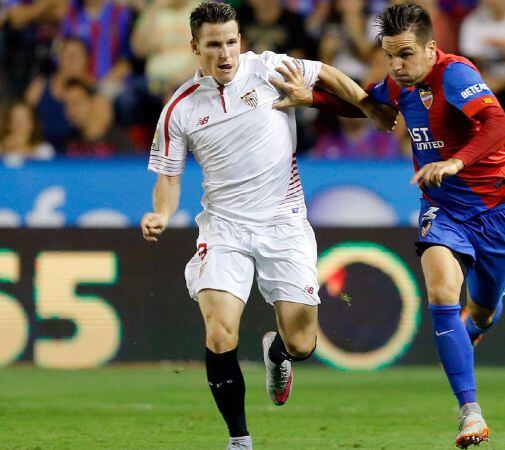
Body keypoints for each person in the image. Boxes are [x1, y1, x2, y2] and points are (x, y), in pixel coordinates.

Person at [274, 4, 505, 448]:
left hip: (498, 212)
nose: (396, 65)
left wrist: (455, 161)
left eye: (405, 54)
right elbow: (371, 107)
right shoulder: (400, 82)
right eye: (390, 55)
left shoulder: (454, 74)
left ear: (431, 49)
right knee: (442, 292)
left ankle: (474, 327)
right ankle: (470, 414)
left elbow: (499, 124)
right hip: (443, 210)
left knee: (483, 311)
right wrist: (311, 98)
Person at [139, 3, 390, 449]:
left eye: (231, 42)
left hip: (283, 223)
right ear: (195, 47)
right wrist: (161, 213)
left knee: (303, 343)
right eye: (213, 45)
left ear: (241, 41)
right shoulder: (179, 108)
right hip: (224, 229)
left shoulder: (268, 68)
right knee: (220, 331)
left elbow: (326, 73)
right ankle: (239, 439)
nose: (224, 54)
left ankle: (279, 352)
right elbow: (169, 178)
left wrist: (369, 105)